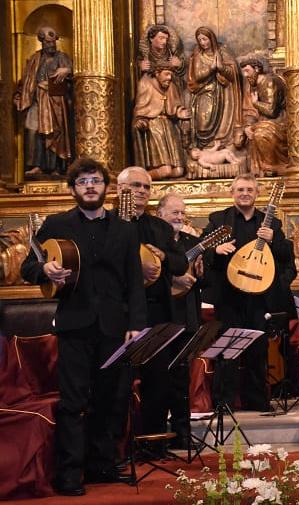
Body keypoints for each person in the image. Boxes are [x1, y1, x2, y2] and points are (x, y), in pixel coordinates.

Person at [20, 158, 146, 496]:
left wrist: (136, 324)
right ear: (73, 189)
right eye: (82, 181)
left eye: (95, 180)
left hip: (115, 328)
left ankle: (102, 465)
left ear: (106, 187)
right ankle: (70, 473)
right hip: (74, 325)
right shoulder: (57, 224)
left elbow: (134, 282)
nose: (90, 186)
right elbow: (28, 265)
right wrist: (43, 271)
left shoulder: (125, 229)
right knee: (73, 401)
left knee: (111, 398)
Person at [203, 173, 295, 412]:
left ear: (257, 193)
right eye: (240, 189)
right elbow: (203, 251)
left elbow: (287, 256)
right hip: (229, 295)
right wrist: (216, 249)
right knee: (228, 349)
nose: (245, 193)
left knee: (258, 349)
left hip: (259, 296)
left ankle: (257, 400)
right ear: (232, 192)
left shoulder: (271, 222)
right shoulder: (218, 220)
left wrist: (274, 240)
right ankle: (224, 401)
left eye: (249, 190)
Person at [116, 167, 188, 449]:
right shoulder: (109, 223)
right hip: (121, 316)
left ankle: (153, 446)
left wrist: (164, 257)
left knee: (158, 383)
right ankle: (119, 447)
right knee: (119, 384)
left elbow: (181, 263)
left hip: (157, 313)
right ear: (121, 188)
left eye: (146, 187)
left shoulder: (159, 227)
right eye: (136, 185)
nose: (142, 191)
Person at [156, 192, 203, 448]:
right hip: (161, 318)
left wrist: (199, 274)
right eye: (175, 212)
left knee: (181, 378)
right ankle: (156, 435)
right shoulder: (154, 241)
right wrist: (174, 279)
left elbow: (202, 282)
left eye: (183, 213)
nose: (180, 217)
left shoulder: (192, 242)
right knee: (159, 379)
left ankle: (183, 432)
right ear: (160, 214)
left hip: (186, 316)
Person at [14, 26, 75, 177]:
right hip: (36, 100)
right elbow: (26, 80)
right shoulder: (35, 58)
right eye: (48, 43)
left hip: (55, 101)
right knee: (32, 131)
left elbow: (75, 70)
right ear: (42, 42)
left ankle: (56, 167)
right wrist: (19, 96)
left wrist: (67, 70)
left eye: (53, 42)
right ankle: (36, 165)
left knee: (54, 133)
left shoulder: (61, 57)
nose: (51, 45)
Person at [187, 27, 242, 149]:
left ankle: (217, 146)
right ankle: (204, 146)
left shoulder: (222, 53)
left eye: (205, 39)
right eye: (200, 40)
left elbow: (233, 74)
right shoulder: (198, 55)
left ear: (211, 38)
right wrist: (211, 68)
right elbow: (197, 76)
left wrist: (221, 67)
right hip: (204, 91)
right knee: (203, 124)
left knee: (221, 122)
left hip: (222, 92)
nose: (202, 43)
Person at [133, 65, 191, 179]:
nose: (169, 78)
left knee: (179, 171)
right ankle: (136, 178)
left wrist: (179, 112)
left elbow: (175, 105)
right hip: (154, 127)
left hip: (168, 127)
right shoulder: (146, 84)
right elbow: (141, 108)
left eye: (171, 75)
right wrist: (141, 120)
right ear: (157, 73)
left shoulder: (171, 87)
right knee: (165, 170)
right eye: (166, 74)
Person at [238, 53, 288, 176]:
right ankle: (264, 168)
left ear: (257, 69)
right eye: (243, 72)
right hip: (268, 122)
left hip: (280, 122)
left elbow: (271, 110)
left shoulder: (270, 81)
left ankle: (271, 166)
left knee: (261, 133)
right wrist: (248, 126)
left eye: (247, 71)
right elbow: (251, 112)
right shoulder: (254, 86)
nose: (245, 75)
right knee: (252, 131)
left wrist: (256, 103)